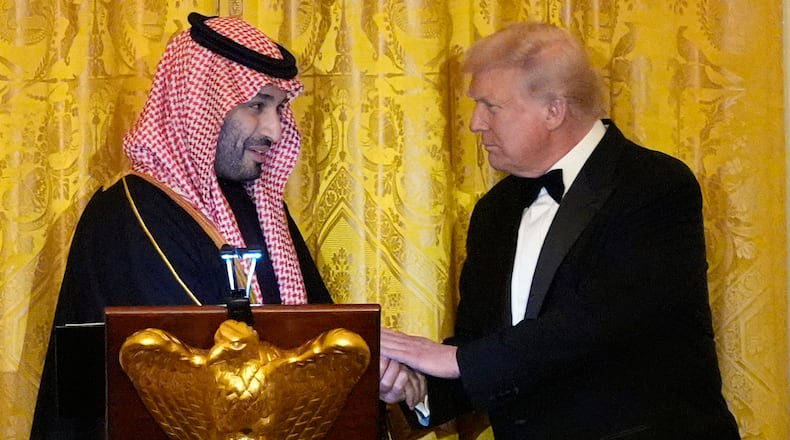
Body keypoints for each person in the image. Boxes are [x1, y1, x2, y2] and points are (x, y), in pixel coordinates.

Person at [379, 21, 740, 439]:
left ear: (554, 110)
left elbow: (597, 322)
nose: (476, 123)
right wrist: (420, 387)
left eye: (490, 106)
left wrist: (455, 360)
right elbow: (482, 344)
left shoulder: (654, 185)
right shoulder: (494, 211)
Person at [32, 12, 332, 438]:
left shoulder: (260, 209)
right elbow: (200, 366)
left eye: (279, 107)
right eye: (255, 105)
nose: (274, 130)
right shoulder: (127, 213)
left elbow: (318, 330)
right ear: (200, 103)